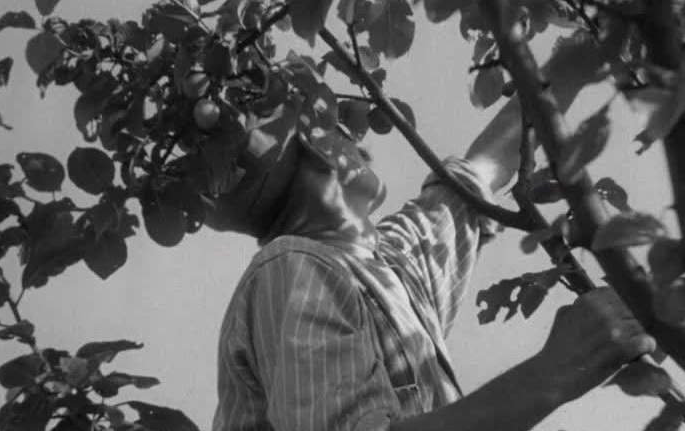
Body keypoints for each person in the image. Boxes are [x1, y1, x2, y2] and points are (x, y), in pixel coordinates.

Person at [205, 71, 657, 430]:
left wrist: (585, 53)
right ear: (318, 147)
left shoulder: (385, 268)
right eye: (340, 131)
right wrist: (556, 371)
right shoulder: (295, 267)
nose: (360, 143)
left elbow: (485, 168)